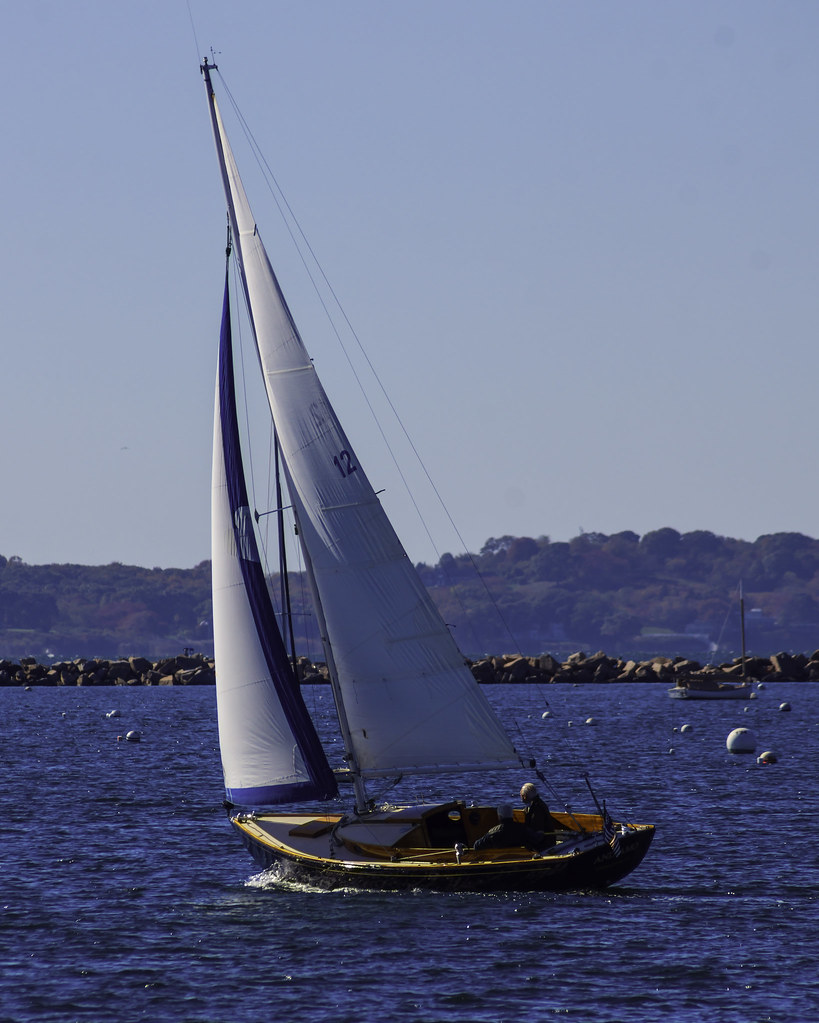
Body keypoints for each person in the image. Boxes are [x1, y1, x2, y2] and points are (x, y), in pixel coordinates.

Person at [472, 804, 545, 853]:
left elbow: (476, 846)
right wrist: (541, 832)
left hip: (499, 860)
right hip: (520, 859)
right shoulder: (522, 828)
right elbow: (536, 839)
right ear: (512, 815)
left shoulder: (492, 832)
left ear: (499, 817)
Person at [520, 782, 557, 849]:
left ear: (525, 796)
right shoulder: (533, 805)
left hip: (545, 844)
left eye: (521, 795)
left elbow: (537, 830)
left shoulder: (538, 808)